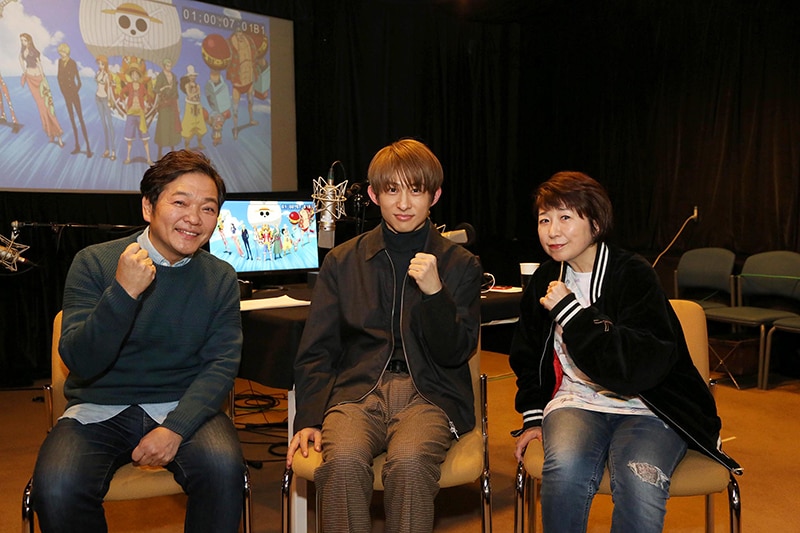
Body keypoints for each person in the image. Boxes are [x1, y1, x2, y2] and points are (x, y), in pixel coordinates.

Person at [510, 171, 741, 533]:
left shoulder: (633, 274)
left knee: (638, 479)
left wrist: (571, 313)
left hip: (649, 405)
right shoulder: (545, 279)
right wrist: (534, 416)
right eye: (544, 220)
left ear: (596, 223)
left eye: (565, 217)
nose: (552, 231)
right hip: (577, 402)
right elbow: (526, 354)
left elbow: (636, 368)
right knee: (565, 471)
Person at [31, 150, 245, 533]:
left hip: (183, 405)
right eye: (180, 203)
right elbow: (81, 361)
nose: (194, 218)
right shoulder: (94, 262)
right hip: (98, 408)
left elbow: (221, 364)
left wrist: (175, 428)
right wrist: (124, 293)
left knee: (223, 469)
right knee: (58, 487)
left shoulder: (221, 277)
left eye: (208, 208)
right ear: (148, 207)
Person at [287, 138, 482, 533]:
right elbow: (317, 350)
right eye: (392, 190)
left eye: (416, 190)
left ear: (434, 196)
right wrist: (307, 417)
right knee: (342, 462)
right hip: (357, 392)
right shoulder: (343, 261)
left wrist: (435, 294)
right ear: (375, 195)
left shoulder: (460, 264)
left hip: (430, 394)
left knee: (409, 462)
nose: (404, 203)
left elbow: (455, 352)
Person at [57, 43, 92, 158]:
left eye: (62, 52)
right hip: (66, 94)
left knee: (81, 119)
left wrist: (74, 91)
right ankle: (77, 146)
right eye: (60, 52)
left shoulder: (72, 63)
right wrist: (63, 91)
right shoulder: (59, 62)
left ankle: (88, 148)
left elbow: (79, 82)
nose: (61, 54)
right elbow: (59, 77)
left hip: (73, 94)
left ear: (67, 52)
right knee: (72, 120)